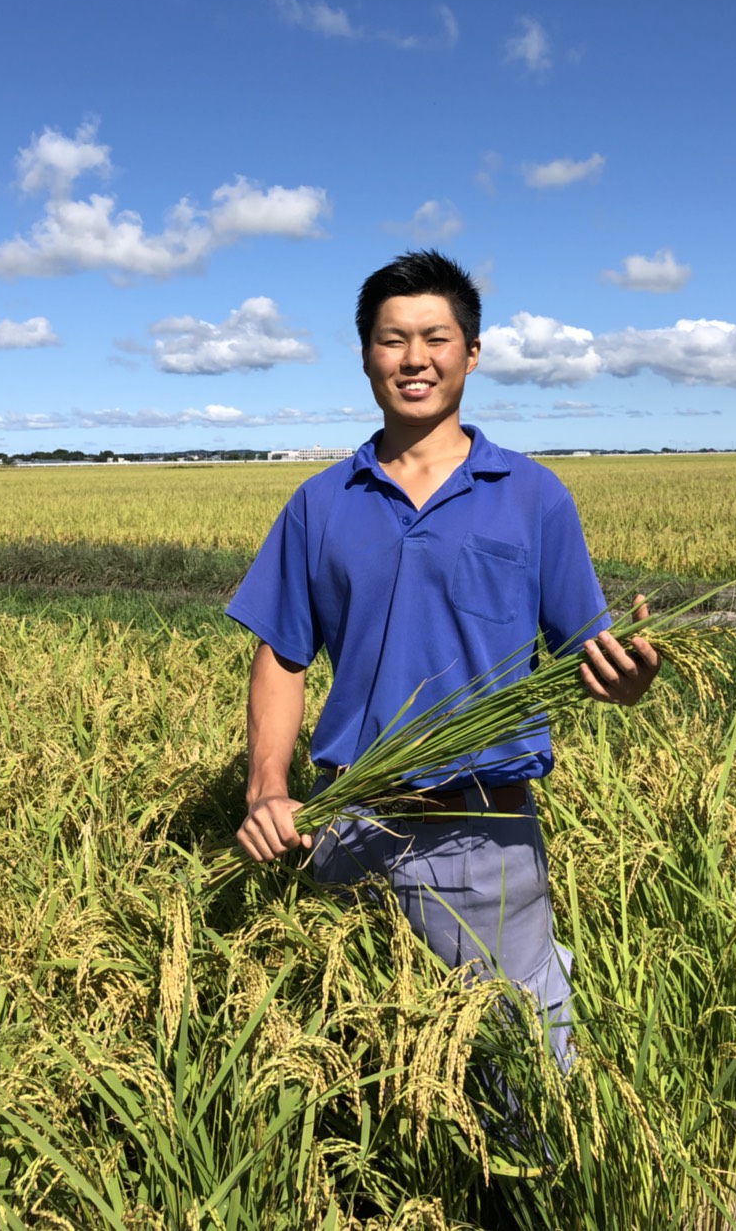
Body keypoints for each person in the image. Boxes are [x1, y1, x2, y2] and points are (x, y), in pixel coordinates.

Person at [228, 250, 659, 1063]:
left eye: (435, 337)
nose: (414, 358)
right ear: (364, 355)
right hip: (346, 822)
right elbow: (283, 655)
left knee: (519, 1062)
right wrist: (266, 791)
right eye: (392, 340)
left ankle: (523, 1190)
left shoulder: (532, 496)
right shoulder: (321, 503)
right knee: (347, 1064)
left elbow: (586, 659)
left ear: (471, 352)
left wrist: (627, 682)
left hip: (483, 834)